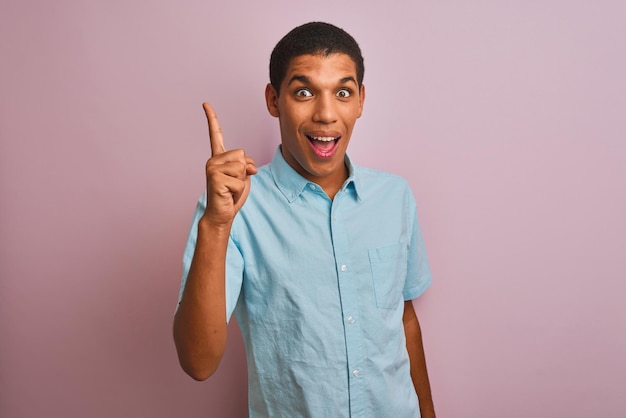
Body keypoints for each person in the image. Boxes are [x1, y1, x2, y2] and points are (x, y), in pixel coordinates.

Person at [174, 22, 435, 418]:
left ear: (361, 101)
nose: (326, 114)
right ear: (274, 99)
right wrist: (216, 226)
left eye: (343, 92)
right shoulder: (232, 210)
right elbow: (198, 362)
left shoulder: (395, 197)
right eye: (303, 92)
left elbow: (404, 318)